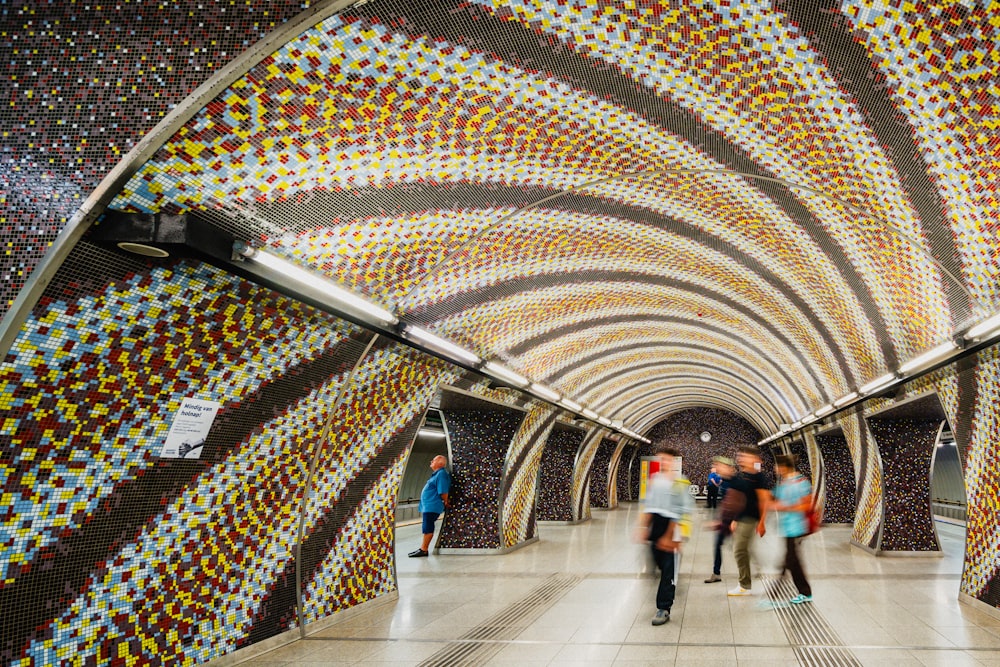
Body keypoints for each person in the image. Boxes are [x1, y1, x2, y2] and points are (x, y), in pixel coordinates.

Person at [633, 445, 693, 625]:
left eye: (667, 459)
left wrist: (671, 537)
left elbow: (681, 511)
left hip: (672, 526)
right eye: (661, 459)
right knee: (657, 561)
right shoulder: (655, 480)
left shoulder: (680, 482)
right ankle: (669, 573)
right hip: (656, 524)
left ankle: (663, 608)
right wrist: (642, 527)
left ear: (673, 461)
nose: (663, 462)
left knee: (668, 570)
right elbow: (648, 505)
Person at [726, 445, 770, 596]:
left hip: (751, 519)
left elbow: (764, 500)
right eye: (740, 456)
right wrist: (734, 519)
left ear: (755, 459)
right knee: (742, 549)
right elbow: (739, 499)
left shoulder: (759, 477)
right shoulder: (741, 476)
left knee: (739, 550)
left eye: (744, 456)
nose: (740, 459)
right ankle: (750, 576)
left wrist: (762, 522)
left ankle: (744, 585)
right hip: (741, 518)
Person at [772, 454, 813, 603]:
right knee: (790, 559)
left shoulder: (801, 482)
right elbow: (774, 498)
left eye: (777, 466)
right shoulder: (784, 482)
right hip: (786, 527)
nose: (775, 468)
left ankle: (805, 592)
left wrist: (786, 506)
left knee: (792, 561)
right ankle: (780, 588)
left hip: (797, 527)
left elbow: (807, 505)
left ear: (784, 467)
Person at [408, 454, 451, 557]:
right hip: (429, 505)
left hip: (433, 505)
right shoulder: (436, 474)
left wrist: (446, 501)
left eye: (433, 460)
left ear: (440, 463)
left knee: (428, 527)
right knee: (426, 526)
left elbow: (443, 491)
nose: (431, 461)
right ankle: (423, 548)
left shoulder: (441, 474)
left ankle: (424, 549)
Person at [704, 456, 736, 583]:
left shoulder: (736, 482)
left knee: (741, 550)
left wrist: (736, 520)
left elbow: (741, 502)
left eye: (719, 465)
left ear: (729, 468)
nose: (717, 467)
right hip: (726, 520)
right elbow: (725, 503)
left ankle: (749, 574)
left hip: (738, 520)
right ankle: (716, 573)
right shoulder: (723, 481)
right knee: (718, 545)